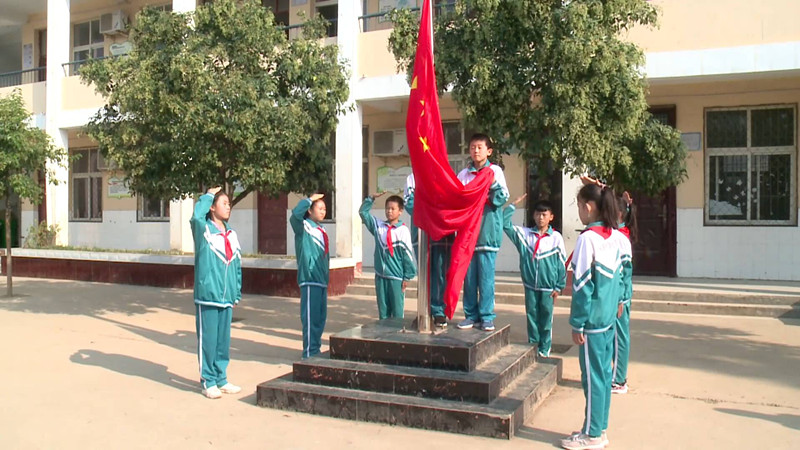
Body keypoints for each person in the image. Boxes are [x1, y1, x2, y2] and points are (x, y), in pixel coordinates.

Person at [561, 183, 629, 450]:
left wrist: (577, 321)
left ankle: (592, 435)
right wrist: (621, 301)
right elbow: (625, 275)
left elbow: (582, 285)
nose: (579, 212)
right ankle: (597, 427)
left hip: (591, 321)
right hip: (609, 317)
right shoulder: (620, 237)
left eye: (579, 206)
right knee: (602, 375)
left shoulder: (587, 239)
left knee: (592, 378)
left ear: (588, 207)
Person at [190, 186, 242, 399]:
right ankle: (208, 380)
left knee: (222, 340)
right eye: (223, 203)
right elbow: (195, 216)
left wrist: (236, 291)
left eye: (229, 203)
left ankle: (221, 378)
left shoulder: (231, 233)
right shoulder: (203, 229)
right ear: (212, 207)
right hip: (208, 294)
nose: (228, 207)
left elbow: (237, 264)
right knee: (208, 339)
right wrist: (208, 195)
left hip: (226, 296)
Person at [456, 133, 509, 331]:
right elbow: (459, 199)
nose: (475, 151)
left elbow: (502, 196)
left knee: (486, 278)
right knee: (469, 278)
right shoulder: (464, 174)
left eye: (479, 147)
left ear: (489, 151)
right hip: (467, 234)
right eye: (472, 147)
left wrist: (487, 185)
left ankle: (487, 316)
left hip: (487, 232)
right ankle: (470, 315)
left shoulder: (494, 171)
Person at [503, 194, 567, 357]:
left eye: (544, 214)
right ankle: (533, 347)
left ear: (551, 217)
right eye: (538, 214)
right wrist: (511, 206)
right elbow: (505, 223)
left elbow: (561, 263)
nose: (540, 217)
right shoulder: (525, 235)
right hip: (530, 285)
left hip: (548, 287)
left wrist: (559, 286)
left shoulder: (556, 238)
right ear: (533, 215)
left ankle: (544, 349)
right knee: (531, 317)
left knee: (546, 319)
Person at [405, 172, 454, 327]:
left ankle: (439, 311)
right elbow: (410, 204)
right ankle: (424, 310)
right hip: (421, 232)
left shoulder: (445, 175)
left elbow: (452, 202)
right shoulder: (413, 177)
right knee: (425, 274)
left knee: (440, 273)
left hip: (441, 233)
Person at [359, 192, 417, 319]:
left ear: (400, 211)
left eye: (392, 209)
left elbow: (407, 256)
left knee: (397, 313)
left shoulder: (403, 231)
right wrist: (371, 198)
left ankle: (396, 337)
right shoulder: (379, 227)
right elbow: (363, 213)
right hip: (380, 276)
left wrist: (407, 277)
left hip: (396, 278)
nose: (389, 211)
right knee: (383, 313)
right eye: (387, 208)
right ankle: (383, 336)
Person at [290, 194, 330, 359]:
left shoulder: (322, 230)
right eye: (319, 208)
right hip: (309, 280)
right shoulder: (303, 226)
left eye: (324, 209)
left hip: (321, 281)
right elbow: (294, 216)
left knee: (320, 319)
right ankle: (309, 352)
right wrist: (309, 199)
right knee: (310, 318)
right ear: (310, 210)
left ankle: (315, 349)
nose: (323, 211)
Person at [612, 192, 636, 394]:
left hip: (620, 295)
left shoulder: (620, 237)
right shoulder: (616, 234)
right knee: (615, 337)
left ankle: (619, 380)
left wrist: (620, 297)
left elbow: (624, 272)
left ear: (618, 213)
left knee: (620, 337)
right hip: (616, 294)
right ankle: (616, 376)